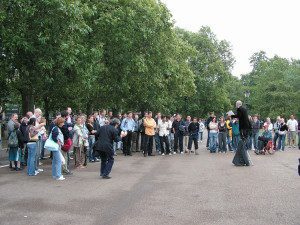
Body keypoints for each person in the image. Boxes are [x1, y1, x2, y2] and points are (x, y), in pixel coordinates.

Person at [231, 100, 252, 166]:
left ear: (237, 105)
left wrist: (231, 115)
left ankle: (245, 161)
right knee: (241, 145)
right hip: (246, 129)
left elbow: (238, 116)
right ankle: (241, 161)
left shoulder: (240, 109)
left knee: (242, 145)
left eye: (235, 105)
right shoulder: (244, 109)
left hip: (244, 130)